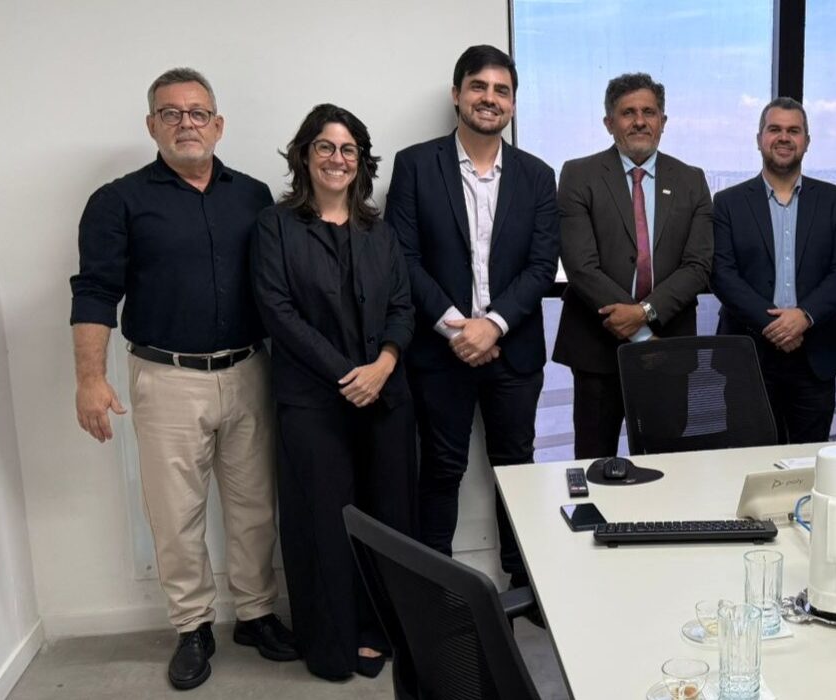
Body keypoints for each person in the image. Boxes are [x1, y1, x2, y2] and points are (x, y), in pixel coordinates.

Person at [70, 67, 294, 690]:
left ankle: (255, 614)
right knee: (176, 514)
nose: (186, 123)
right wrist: (89, 378)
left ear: (218, 125)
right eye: (171, 113)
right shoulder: (118, 201)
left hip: (249, 369)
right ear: (152, 125)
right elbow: (94, 291)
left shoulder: (252, 196)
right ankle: (193, 626)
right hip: (166, 377)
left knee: (255, 506)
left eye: (197, 113)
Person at [251, 104, 416, 680]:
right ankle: (331, 644)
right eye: (325, 146)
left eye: (348, 150)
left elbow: (402, 308)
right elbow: (278, 312)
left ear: (360, 162)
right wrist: (350, 376)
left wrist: (384, 365)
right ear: (304, 155)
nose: (337, 159)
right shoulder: (274, 226)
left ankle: (378, 632)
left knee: (386, 518)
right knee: (322, 523)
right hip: (313, 404)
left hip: (386, 399)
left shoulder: (381, 232)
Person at [385, 45, 559, 591]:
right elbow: (403, 257)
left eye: (501, 90)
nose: (490, 98)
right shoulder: (415, 165)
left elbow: (541, 264)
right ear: (456, 94)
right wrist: (457, 327)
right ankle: (435, 588)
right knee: (441, 467)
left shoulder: (537, 175)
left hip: (514, 348)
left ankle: (522, 583)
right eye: (479, 86)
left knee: (517, 469)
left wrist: (494, 324)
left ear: (513, 103)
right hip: (441, 351)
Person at [553, 72, 713, 459]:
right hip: (596, 350)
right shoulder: (578, 175)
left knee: (669, 466)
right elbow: (580, 266)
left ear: (663, 121)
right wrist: (640, 331)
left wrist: (644, 312)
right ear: (609, 123)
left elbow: (698, 265)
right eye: (628, 113)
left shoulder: (691, 180)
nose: (639, 121)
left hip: (669, 347)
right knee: (595, 465)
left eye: (649, 112)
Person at [711, 97, 836, 444]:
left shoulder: (834, 200)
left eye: (794, 131)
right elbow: (721, 273)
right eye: (774, 129)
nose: (784, 137)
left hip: (815, 354)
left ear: (806, 141)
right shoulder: (728, 202)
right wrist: (775, 325)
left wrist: (804, 316)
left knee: (809, 460)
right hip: (748, 353)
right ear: (759, 138)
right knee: (749, 461)